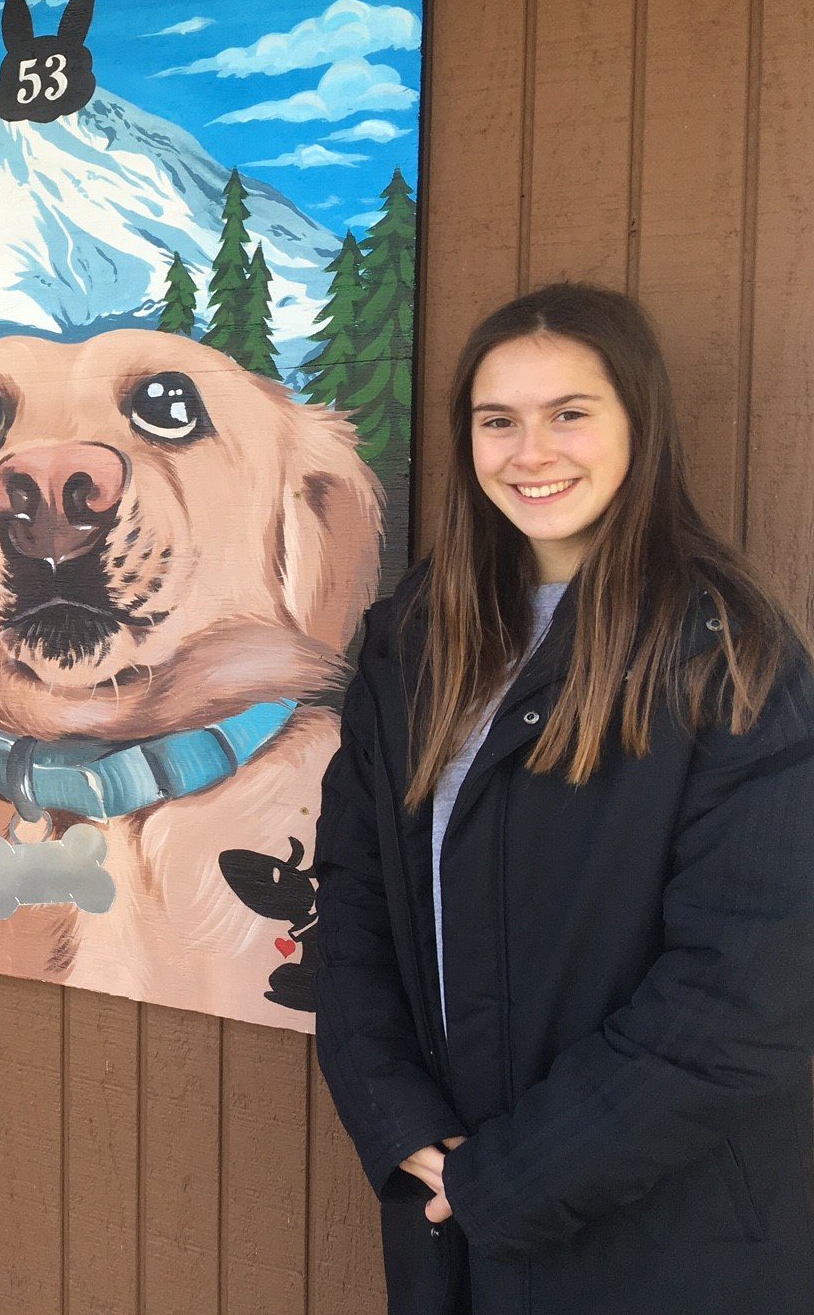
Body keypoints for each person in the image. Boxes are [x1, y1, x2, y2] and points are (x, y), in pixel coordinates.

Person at [313, 283, 814, 1314]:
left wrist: (505, 1182)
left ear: (640, 424)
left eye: (569, 414)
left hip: (660, 1238)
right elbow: (354, 899)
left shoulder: (726, 658)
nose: (530, 452)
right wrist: (398, 1121)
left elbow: (744, 997)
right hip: (449, 1211)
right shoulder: (416, 640)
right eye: (498, 420)